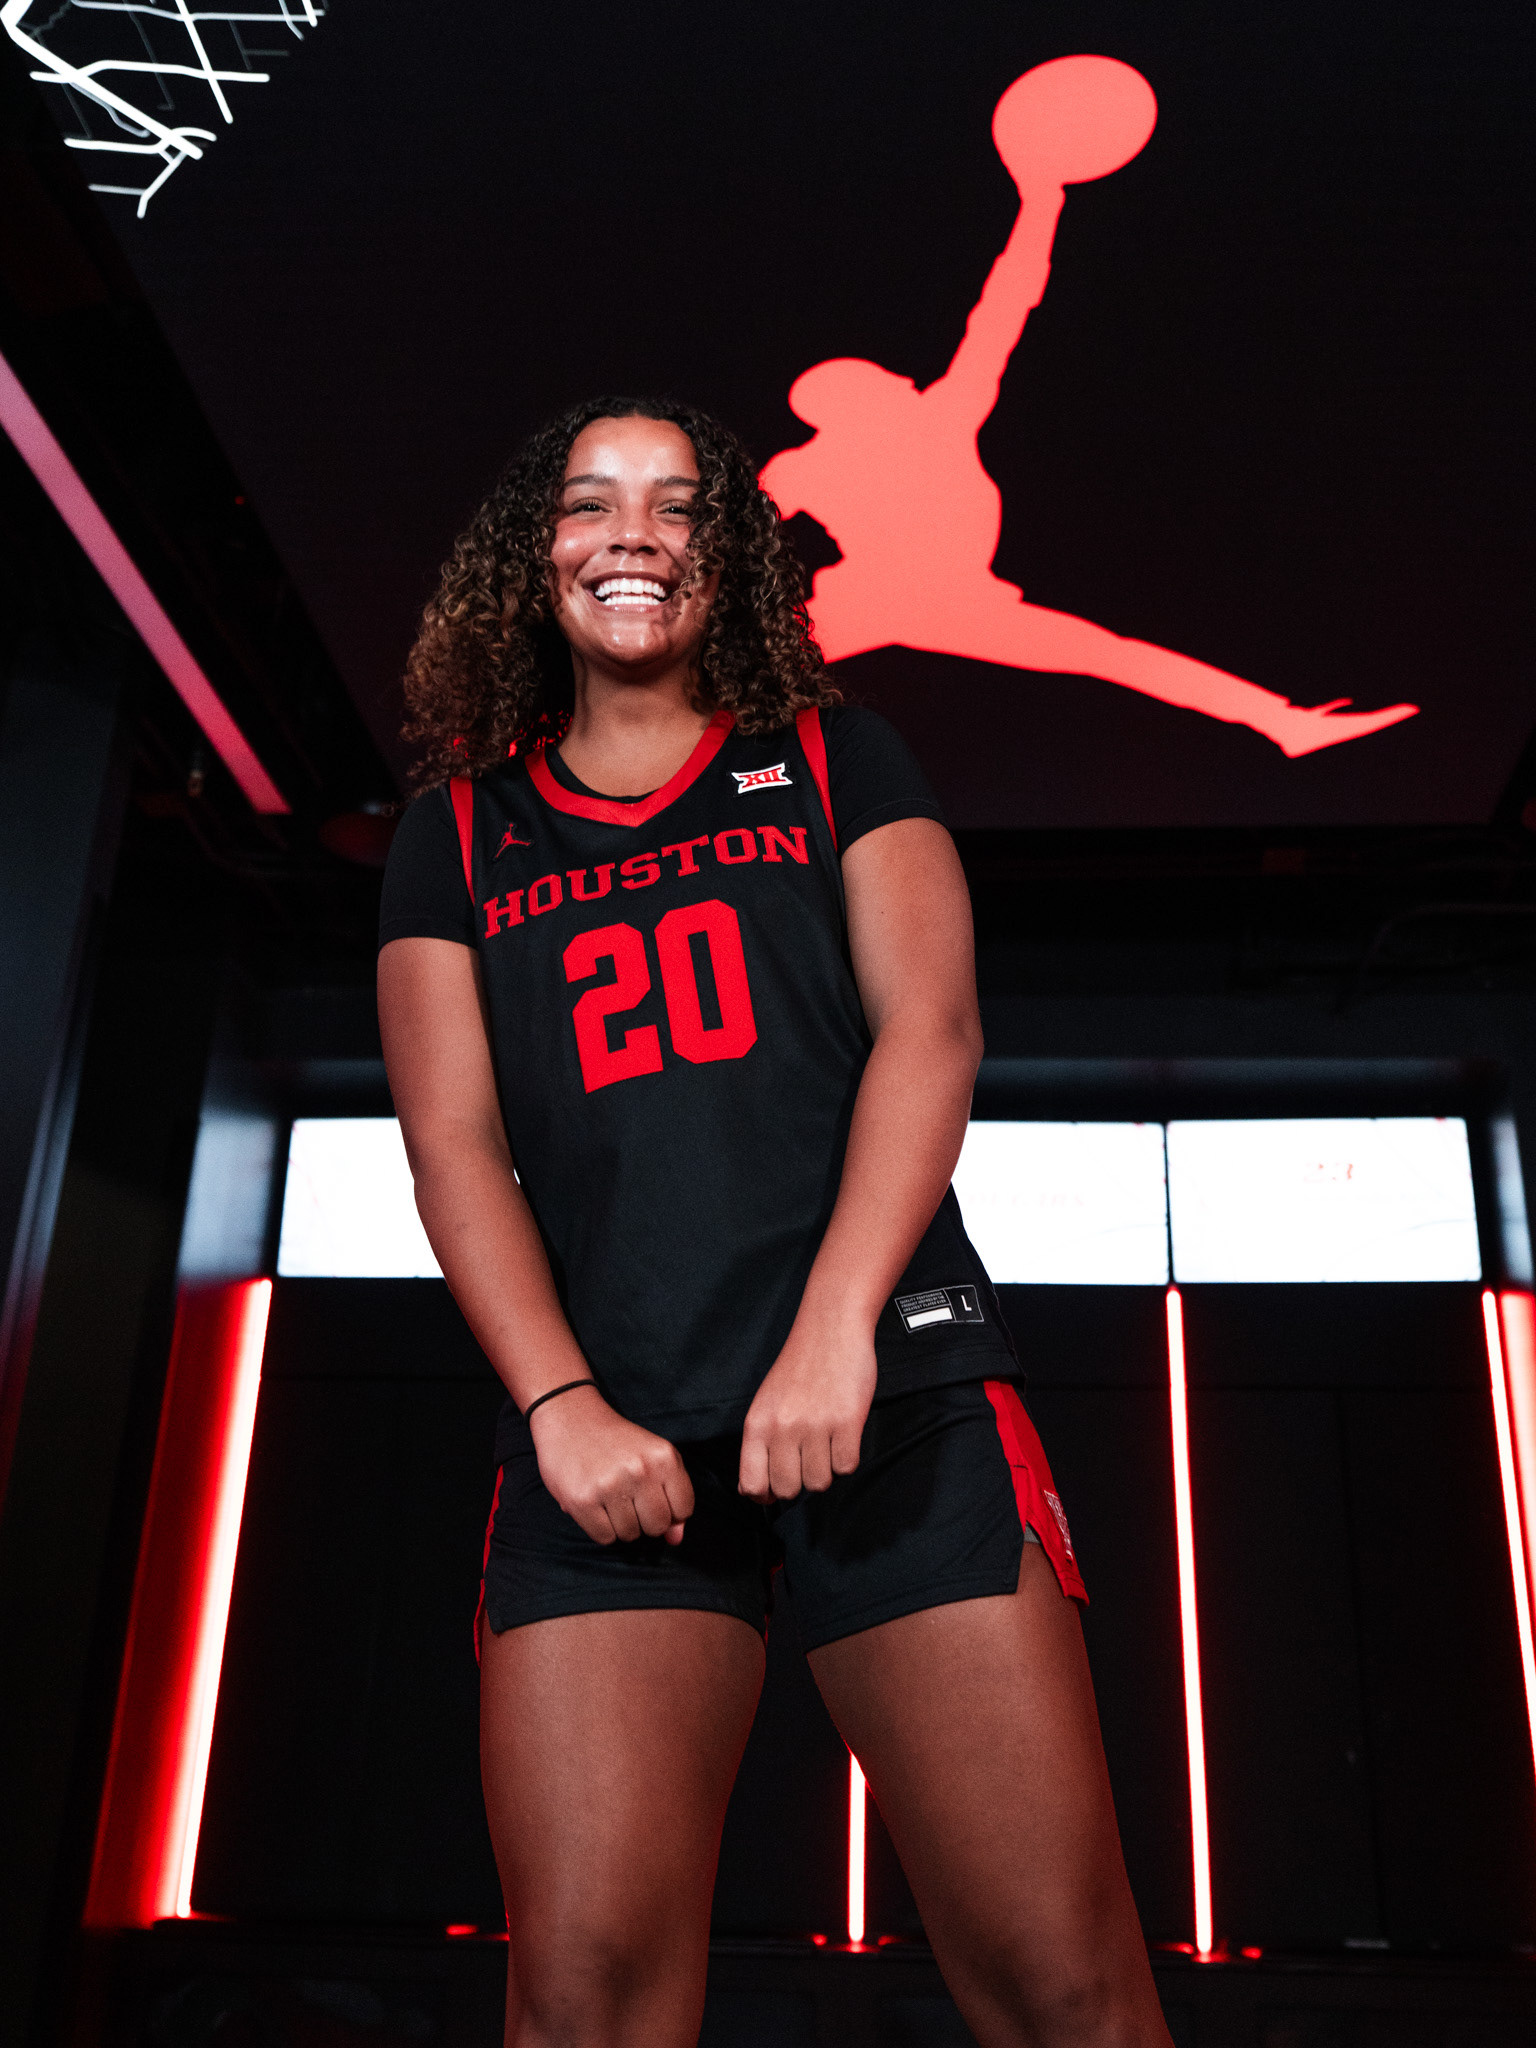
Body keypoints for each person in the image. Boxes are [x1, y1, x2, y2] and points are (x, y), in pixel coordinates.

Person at [378, 395, 1173, 2048]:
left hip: (890, 1399)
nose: (633, 534)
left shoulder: (828, 754)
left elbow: (930, 1033)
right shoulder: (457, 831)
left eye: (677, 505)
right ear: (534, 554)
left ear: (726, 551)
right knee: (582, 2004)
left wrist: (832, 1334)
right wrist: (561, 1403)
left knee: (1064, 1989)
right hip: (612, 1441)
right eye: (590, 502)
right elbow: (451, 1142)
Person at [759, 54, 1420, 760]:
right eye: (883, 380)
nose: (900, 380)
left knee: (1114, 655)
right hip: (873, 599)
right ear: (853, 402)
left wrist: (1042, 203)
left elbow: (1006, 304)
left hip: (960, 598)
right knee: (717, 676)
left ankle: (1286, 723)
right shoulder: (827, 458)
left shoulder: (937, 416)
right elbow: (722, 531)